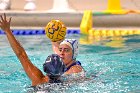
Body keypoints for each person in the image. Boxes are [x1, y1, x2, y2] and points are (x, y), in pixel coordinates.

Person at [0, 14, 66, 86]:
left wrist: (7, 31)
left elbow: (21, 54)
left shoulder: (38, 79)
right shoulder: (66, 84)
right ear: (63, 70)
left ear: (44, 68)